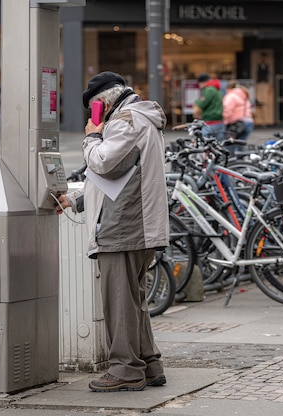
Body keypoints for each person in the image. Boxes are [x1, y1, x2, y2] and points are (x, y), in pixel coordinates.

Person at [56, 71, 169, 393]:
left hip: (124, 225)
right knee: (133, 300)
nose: (95, 117)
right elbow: (119, 177)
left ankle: (125, 369)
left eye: (94, 110)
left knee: (119, 302)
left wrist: (92, 136)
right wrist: (75, 200)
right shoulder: (138, 118)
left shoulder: (124, 121)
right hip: (137, 222)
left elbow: (104, 164)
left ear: (100, 104)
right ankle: (148, 363)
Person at [222, 81, 253, 153]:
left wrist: (225, 122)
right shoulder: (244, 94)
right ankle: (243, 162)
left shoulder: (230, 96)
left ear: (228, 88)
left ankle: (234, 163)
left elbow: (227, 111)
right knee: (241, 145)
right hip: (248, 122)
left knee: (231, 145)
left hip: (236, 123)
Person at [193, 73, 225, 141]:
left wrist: (197, 101)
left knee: (204, 142)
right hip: (219, 121)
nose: (199, 85)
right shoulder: (217, 89)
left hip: (211, 121)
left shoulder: (209, 90)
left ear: (203, 82)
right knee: (219, 145)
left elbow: (203, 104)